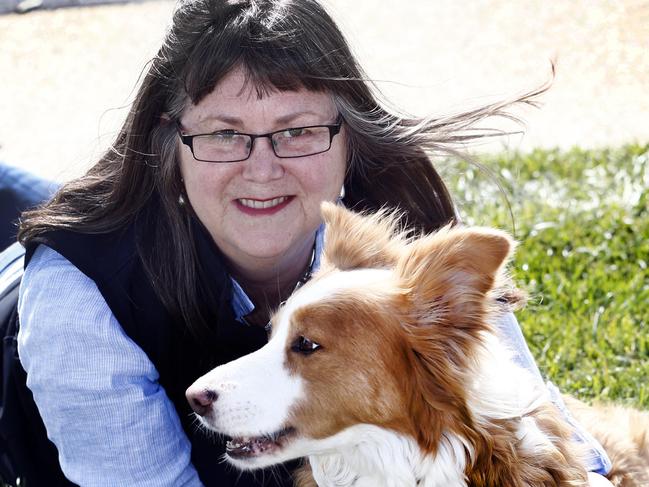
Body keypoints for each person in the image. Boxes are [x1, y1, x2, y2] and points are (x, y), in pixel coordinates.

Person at [15, 0, 613, 485]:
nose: (262, 168)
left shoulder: (400, 216)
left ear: (349, 138)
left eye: (296, 131)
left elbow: (538, 416)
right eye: (225, 134)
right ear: (171, 144)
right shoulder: (81, 294)